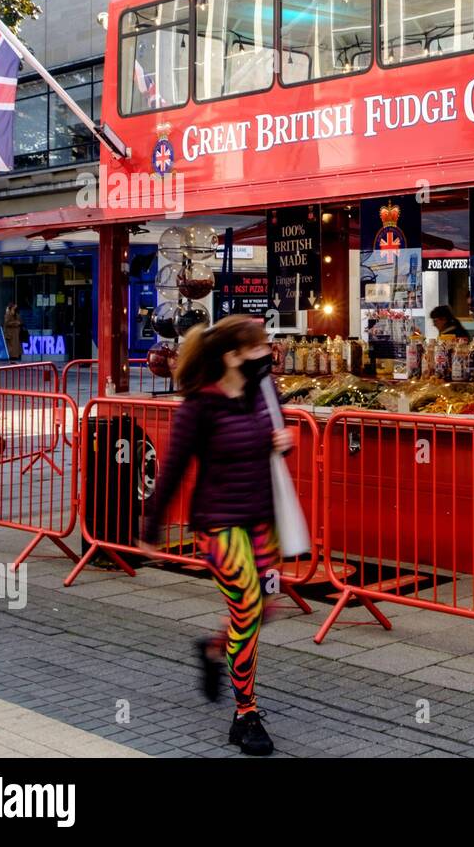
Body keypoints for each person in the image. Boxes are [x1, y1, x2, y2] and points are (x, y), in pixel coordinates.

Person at [139, 315, 293, 756]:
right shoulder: (200, 406)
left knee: (263, 608)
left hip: (263, 519)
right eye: (260, 347)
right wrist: (151, 528)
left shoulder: (266, 392)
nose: (269, 353)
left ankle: (212, 649)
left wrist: (285, 442)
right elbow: (174, 468)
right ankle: (246, 714)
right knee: (245, 606)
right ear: (233, 356)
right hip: (219, 523)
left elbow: (278, 441)